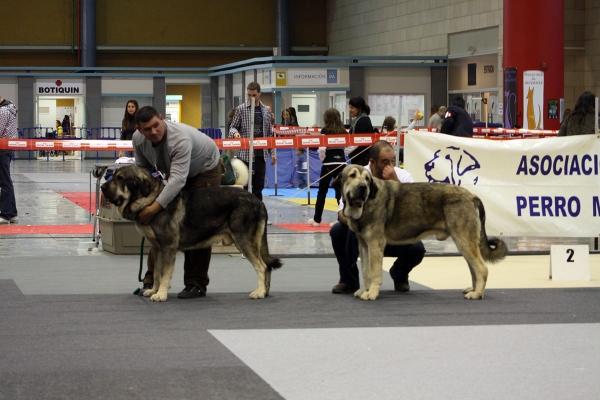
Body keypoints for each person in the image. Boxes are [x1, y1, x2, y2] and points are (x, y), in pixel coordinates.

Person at [132, 106, 221, 299]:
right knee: (159, 228)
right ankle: (152, 280)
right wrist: (146, 200)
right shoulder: (138, 140)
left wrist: (152, 208)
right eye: (147, 129)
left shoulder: (179, 139)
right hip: (175, 173)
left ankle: (196, 283)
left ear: (162, 119)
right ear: (140, 130)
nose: (154, 131)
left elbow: (179, 181)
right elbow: (143, 171)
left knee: (197, 224)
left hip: (204, 169)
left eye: (156, 125)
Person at [330, 140, 425, 293]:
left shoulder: (403, 176)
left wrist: (394, 181)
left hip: (393, 234)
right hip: (365, 234)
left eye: (392, 161)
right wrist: (356, 226)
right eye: (385, 162)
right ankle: (349, 281)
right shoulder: (357, 174)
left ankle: (399, 275)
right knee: (338, 231)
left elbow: (414, 209)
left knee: (417, 248)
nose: (390, 166)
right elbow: (341, 211)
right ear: (372, 162)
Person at [228, 82, 276, 201]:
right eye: (249, 95)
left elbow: (269, 134)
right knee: (243, 187)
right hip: (245, 155)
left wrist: (273, 152)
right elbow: (232, 127)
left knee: (258, 188)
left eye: (254, 95)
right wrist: (235, 133)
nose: (251, 98)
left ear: (260, 93)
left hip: (261, 155)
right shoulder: (241, 109)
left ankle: (257, 216)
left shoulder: (266, 111)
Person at [308, 108, 347, 227]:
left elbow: (322, 147)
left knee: (322, 191)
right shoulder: (344, 131)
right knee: (340, 191)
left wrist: (323, 159)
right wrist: (342, 155)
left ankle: (317, 220)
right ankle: (341, 218)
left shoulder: (325, 130)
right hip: (341, 164)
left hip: (328, 164)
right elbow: (349, 146)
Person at [0, 96, 18, 225]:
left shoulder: (3, 111)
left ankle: (5, 215)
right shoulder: (9, 108)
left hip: (3, 149)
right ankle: (12, 214)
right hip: (7, 148)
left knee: (4, 182)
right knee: (6, 181)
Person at [347, 96, 375, 166]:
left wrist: (346, 151)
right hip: (359, 156)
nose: (350, 110)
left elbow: (358, 141)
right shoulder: (359, 119)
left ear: (359, 108)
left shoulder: (362, 121)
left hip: (361, 157)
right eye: (350, 107)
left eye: (352, 108)